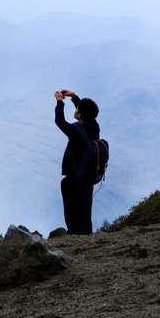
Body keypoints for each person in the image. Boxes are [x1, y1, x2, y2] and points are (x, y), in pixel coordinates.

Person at [54, 89, 100, 234]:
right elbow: (87, 113)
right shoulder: (94, 126)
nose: (76, 109)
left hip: (76, 177)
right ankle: (87, 235)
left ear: (79, 114)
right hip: (89, 176)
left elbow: (59, 121)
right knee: (86, 209)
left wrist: (60, 102)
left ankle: (73, 234)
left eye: (77, 108)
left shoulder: (76, 132)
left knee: (71, 207)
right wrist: (74, 97)